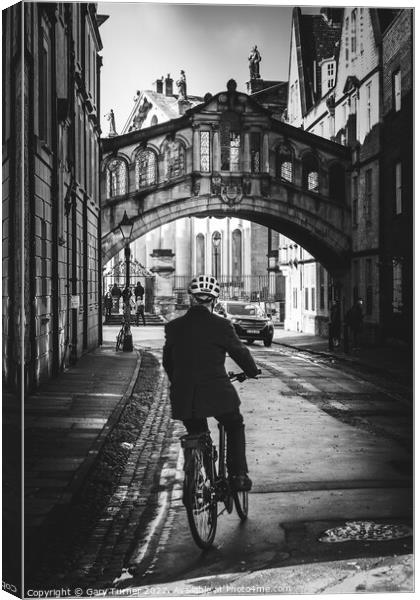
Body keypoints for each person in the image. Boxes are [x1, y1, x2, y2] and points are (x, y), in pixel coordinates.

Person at [162, 275, 259, 491]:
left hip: (183, 396)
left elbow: (168, 362)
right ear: (213, 301)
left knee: (197, 431)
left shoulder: (174, 327)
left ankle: (204, 469)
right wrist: (251, 371)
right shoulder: (221, 325)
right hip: (217, 393)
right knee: (234, 424)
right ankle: (238, 475)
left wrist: (179, 381)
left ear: (191, 299)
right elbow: (240, 352)